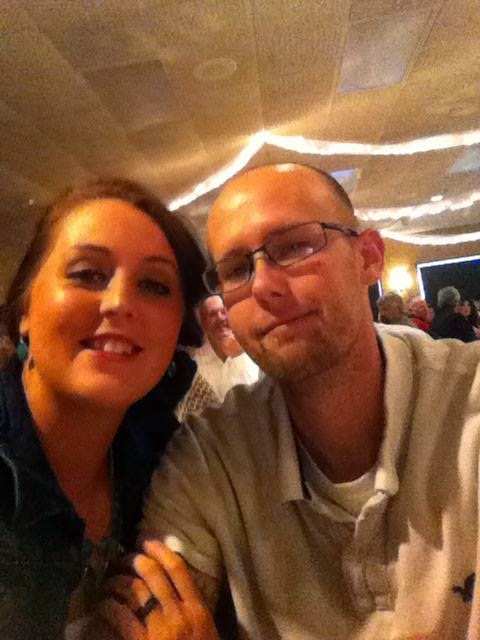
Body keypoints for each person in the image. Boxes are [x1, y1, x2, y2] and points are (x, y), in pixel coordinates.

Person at [121, 163, 480, 640]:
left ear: (368, 257)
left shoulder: (469, 396)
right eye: (237, 270)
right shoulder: (210, 456)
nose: (263, 286)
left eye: (295, 247)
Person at [0, 178, 217, 640]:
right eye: (87, 274)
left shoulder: (173, 463)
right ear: (24, 309)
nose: (119, 303)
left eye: (154, 285)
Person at [179, 295, 259, 416]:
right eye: (213, 314)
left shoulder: (251, 349)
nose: (221, 318)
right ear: (203, 324)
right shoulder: (196, 367)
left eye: (223, 311)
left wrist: (237, 355)